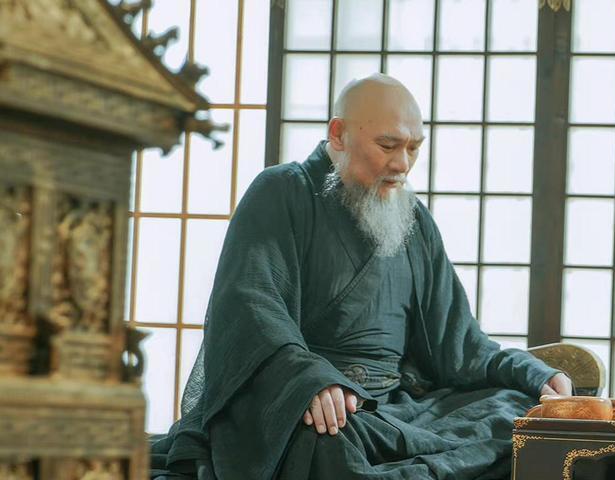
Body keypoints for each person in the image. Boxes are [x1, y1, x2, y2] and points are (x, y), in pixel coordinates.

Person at [150, 74, 572, 480]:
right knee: (323, 437)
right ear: (338, 134)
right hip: (309, 400)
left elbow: (460, 345)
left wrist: (534, 374)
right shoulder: (282, 191)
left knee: (517, 412)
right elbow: (251, 305)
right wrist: (309, 381)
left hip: (394, 410)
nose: (402, 164)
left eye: (413, 148)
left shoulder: (414, 221)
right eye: (388, 145)